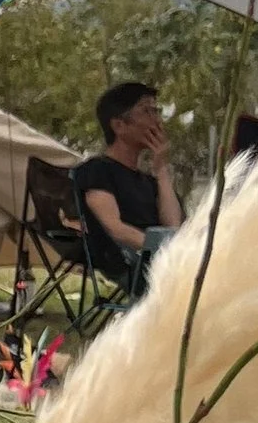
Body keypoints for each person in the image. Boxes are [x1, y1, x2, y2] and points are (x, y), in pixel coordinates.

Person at [71, 81, 180, 295]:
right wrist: (163, 250)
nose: (157, 121)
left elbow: (173, 225)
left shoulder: (149, 181)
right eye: (147, 111)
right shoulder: (97, 170)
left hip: (164, 258)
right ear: (119, 126)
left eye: (157, 111)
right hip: (128, 262)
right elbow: (115, 228)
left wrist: (162, 169)